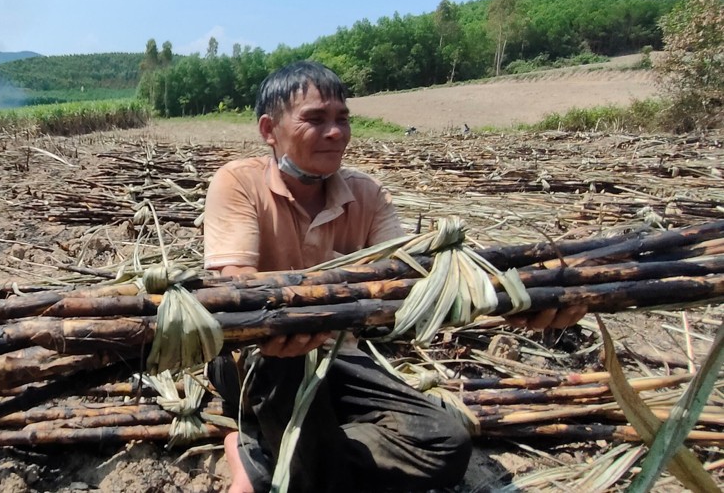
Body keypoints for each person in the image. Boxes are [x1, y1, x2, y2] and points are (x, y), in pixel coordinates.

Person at [203, 61, 584, 492]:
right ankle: (293, 454)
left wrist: (517, 297)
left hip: (338, 358)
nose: (336, 132)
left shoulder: (366, 194)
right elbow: (236, 287)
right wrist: (284, 320)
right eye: (315, 119)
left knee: (444, 444)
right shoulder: (238, 183)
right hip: (257, 358)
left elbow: (415, 280)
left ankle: (259, 455)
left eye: (342, 119)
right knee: (283, 362)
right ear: (269, 130)